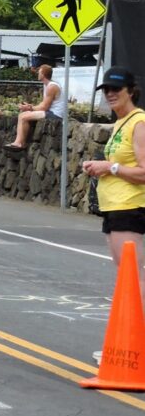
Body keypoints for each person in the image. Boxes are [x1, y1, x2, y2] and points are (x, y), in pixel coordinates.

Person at [83, 66, 145, 314]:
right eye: (106, 89)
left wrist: (110, 167)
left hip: (129, 206)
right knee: (125, 274)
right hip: (114, 207)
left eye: (116, 89)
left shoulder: (139, 122)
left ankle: (137, 334)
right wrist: (101, 167)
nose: (110, 93)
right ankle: (129, 333)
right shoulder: (122, 122)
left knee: (133, 275)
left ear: (130, 91)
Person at [5, 64, 66, 152]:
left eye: (39, 72)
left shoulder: (51, 87)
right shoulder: (47, 85)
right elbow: (43, 104)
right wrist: (30, 107)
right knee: (22, 115)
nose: (38, 74)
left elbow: (44, 107)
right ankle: (19, 142)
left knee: (23, 117)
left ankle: (19, 143)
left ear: (43, 74)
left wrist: (30, 108)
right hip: (51, 112)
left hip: (56, 114)